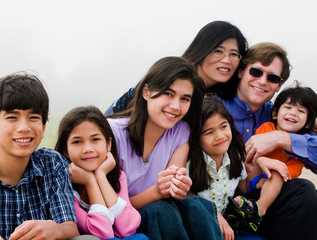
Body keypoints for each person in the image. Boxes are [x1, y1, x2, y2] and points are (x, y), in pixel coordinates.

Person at [106, 56, 222, 240]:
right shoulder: (112, 133)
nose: (175, 106)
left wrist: (177, 187)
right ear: (146, 91)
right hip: (122, 222)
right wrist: (156, 192)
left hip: (162, 218)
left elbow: (171, 190)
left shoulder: (181, 132)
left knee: (198, 207)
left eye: (185, 98)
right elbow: (107, 208)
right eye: (168, 93)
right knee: (158, 210)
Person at [0, 72, 81, 239]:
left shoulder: (53, 164)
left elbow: (71, 229)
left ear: (43, 127)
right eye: (12, 117)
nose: (24, 127)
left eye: (33, 117)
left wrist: (55, 230)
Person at [218, 42, 317, 239]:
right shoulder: (216, 106)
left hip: (260, 199)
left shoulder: (278, 117)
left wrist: (283, 137)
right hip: (222, 194)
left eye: (272, 77)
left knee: (304, 190)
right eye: (256, 71)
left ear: (279, 85)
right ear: (241, 72)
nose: (262, 81)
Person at [187, 97, 288, 239]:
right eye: (209, 132)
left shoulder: (234, 157)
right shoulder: (189, 166)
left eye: (223, 126)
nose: (220, 136)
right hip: (197, 228)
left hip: (226, 227)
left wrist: (260, 163)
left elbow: (244, 186)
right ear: (196, 137)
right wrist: (212, 213)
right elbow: (183, 204)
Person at [105, 20, 248, 114]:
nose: (226, 60)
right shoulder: (170, 74)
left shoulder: (223, 97)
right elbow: (110, 118)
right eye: (218, 51)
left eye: (234, 54)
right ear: (203, 49)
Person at [229, 82, 317, 233]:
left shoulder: (302, 143)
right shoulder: (266, 128)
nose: (293, 113)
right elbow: (249, 158)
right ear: (276, 113)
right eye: (288, 107)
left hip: (274, 184)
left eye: (301, 111)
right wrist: (260, 169)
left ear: (308, 121)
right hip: (253, 176)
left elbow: (290, 173)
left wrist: (269, 176)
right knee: (264, 167)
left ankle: (259, 209)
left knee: (278, 171)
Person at [55, 106, 148, 240]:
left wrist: (100, 176)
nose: (88, 149)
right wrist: (90, 182)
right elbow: (103, 233)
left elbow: (128, 228)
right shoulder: (64, 187)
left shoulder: (117, 177)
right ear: (65, 150)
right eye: (77, 142)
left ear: (108, 144)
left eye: (95, 139)